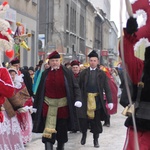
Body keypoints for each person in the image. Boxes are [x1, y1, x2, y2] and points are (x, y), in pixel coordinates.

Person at [33, 50, 82, 150]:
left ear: (60, 61)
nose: (55, 62)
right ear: (49, 62)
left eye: (56, 60)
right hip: (48, 107)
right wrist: (35, 106)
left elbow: (75, 87)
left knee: (61, 133)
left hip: (62, 108)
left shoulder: (67, 73)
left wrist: (78, 99)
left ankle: (60, 147)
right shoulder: (45, 74)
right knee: (48, 133)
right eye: (53, 61)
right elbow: (40, 90)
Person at [78, 50, 113, 148]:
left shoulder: (102, 74)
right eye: (91, 60)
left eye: (94, 60)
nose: (92, 62)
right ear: (89, 61)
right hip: (85, 100)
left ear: (97, 61)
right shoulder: (84, 73)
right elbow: (78, 86)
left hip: (97, 100)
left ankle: (95, 140)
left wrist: (110, 101)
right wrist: (77, 99)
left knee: (96, 122)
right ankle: (84, 135)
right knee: (84, 120)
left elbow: (107, 87)